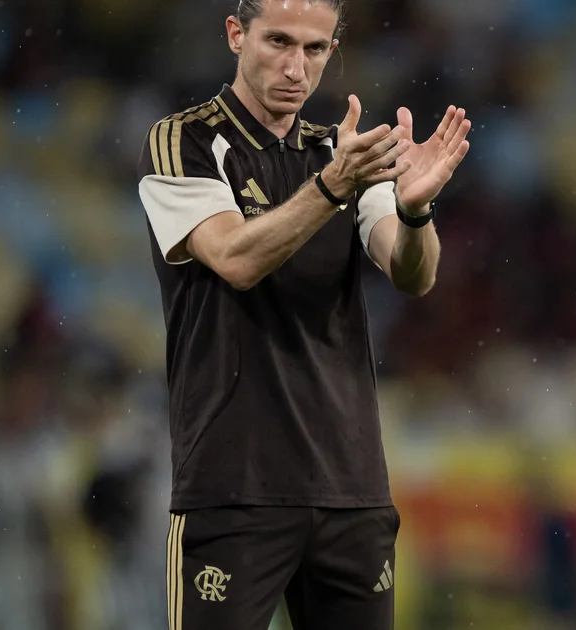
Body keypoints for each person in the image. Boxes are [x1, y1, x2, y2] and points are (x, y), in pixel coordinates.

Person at [135, 1, 471, 628]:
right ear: (236, 35)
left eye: (315, 50)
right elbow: (234, 258)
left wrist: (418, 212)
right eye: (278, 42)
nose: (296, 67)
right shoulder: (185, 140)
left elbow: (411, 272)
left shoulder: (341, 156)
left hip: (351, 485)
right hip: (233, 485)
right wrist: (329, 190)